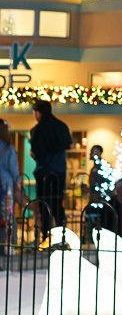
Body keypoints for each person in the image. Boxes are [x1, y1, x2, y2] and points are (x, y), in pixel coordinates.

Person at [29, 99, 72, 234]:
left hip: (43, 172)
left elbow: (36, 153)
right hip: (59, 171)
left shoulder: (36, 130)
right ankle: (61, 234)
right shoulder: (62, 126)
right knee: (58, 204)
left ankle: (46, 237)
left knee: (44, 206)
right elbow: (69, 145)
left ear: (38, 112)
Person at [0, 118, 22, 248]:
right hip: (5, 185)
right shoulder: (8, 147)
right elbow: (13, 167)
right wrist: (18, 181)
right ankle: (7, 245)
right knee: (7, 216)